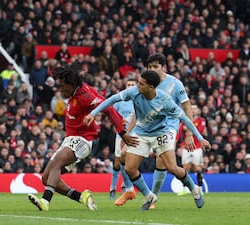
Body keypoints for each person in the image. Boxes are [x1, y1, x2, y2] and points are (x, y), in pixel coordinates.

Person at [84, 70, 211, 210]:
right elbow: (112, 99)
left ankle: (194, 189)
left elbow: (185, 119)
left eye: (141, 84)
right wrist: (93, 113)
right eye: (138, 82)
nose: (138, 86)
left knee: (173, 168)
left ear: (151, 87)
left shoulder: (165, 100)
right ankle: (149, 196)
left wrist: (200, 138)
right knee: (129, 168)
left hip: (161, 134)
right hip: (141, 132)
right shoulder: (134, 92)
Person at [27, 63, 138, 211]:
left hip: (84, 139)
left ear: (71, 84)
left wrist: (122, 132)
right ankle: (82, 197)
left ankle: (45, 202)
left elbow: (108, 108)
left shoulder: (85, 96)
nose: (61, 90)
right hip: (70, 138)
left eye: (63, 86)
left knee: (57, 163)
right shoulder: (80, 89)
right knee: (46, 178)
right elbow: (104, 100)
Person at [146, 53, 196, 209]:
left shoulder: (175, 84)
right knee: (130, 159)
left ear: (164, 67)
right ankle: (128, 190)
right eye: (150, 67)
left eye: (156, 66)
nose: (152, 69)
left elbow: (187, 106)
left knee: (162, 159)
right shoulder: (146, 83)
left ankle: (152, 198)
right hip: (149, 126)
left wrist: (189, 133)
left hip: (170, 126)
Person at [109, 78, 137, 206]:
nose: (130, 86)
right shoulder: (120, 100)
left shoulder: (138, 100)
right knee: (118, 161)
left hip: (135, 134)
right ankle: (113, 188)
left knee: (131, 161)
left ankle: (127, 186)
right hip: (121, 134)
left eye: (133, 84)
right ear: (125, 86)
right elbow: (112, 116)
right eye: (128, 84)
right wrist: (120, 122)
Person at [177, 104, 206, 195]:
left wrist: (188, 128)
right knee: (185, 168)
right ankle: (184, 189)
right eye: (191, 108)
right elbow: (179, 134)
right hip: (186, 147)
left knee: (197, 168)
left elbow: (200, 131)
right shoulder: (184, 120)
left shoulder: (201, 121)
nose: (193, 110)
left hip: (197, 148)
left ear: (198, 111)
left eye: (194, 108)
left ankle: (200, 188)